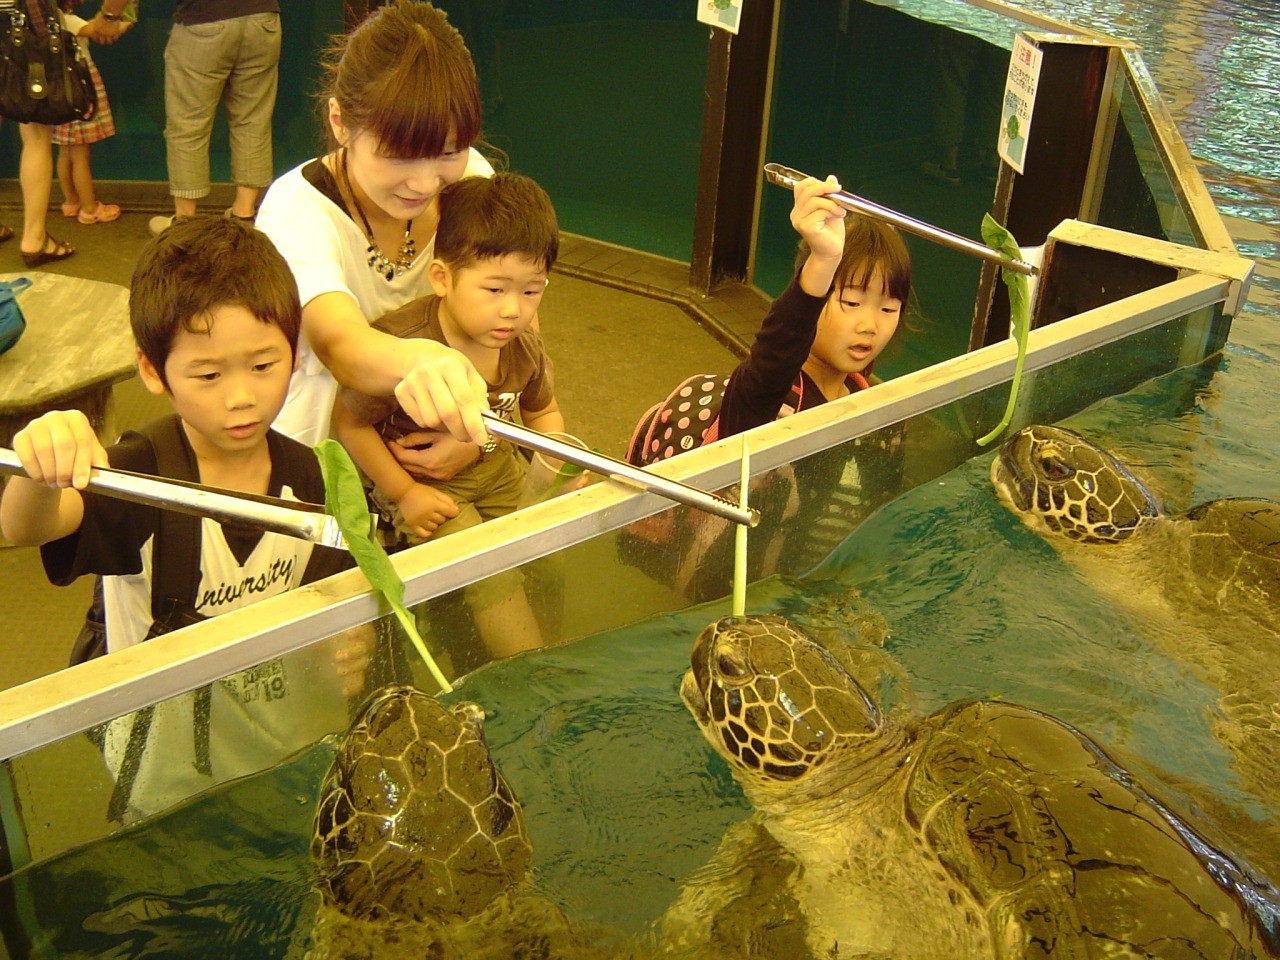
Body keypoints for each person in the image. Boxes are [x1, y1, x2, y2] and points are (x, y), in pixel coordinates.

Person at [0, 217, 367, 821]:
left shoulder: (314, 478)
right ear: (152, 371)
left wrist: (349, 645)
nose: (241, 396)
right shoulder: (138, 475)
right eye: (208, 374)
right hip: (162, 781)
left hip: (285, 756)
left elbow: (340, 595)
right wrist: (38, 465)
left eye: (263, 365)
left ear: (294, 352)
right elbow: (29, 527)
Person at [254, 0, 494, 464]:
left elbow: (512, 327)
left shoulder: (472, 184)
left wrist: (477, 439)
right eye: (400, 155)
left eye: (449, 151)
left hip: (433, 449)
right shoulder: (297, 210)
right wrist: (419, 360)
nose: (425, 183)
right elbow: (339, 343)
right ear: (340, 122)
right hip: (323, 463)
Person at [332, 173, 561, 658]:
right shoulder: (401, 345)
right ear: (442, 278)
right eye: (495, 289)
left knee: (540, 561)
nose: (513, 311)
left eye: (531, 291)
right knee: (487, 572)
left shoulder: (522, 347)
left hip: (498, 473)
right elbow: (348, 423)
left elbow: (546, 414)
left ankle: (511, 651)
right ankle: (534, 678)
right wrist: (405, 492)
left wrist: (555, 475)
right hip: (425, 486)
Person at [146, 0, 283, 234]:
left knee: (188, 126)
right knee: (252, 120)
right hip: (263, 19)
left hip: (203, 20)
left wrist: (111, 15)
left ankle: (185, 224)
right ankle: (244, 216)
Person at [53, 1, 123, 225]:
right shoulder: (68, 19)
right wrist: (128, 19)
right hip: (80, 89)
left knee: (65, 153)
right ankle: (90, 208)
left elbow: (89, 25)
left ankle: (71, 201)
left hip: (59, 89)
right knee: (81, 156)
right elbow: (99, 30)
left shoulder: (49, 18)